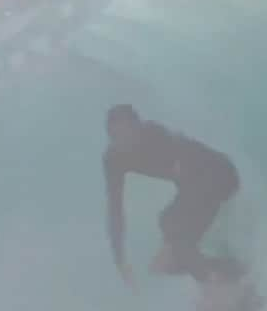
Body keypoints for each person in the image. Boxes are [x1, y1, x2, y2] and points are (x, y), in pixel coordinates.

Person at [103, 104, 246, 289]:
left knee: (172, 229)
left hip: (220, 175)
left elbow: (188, 168)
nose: (126, 141)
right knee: (167, 262)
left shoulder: (155, 135)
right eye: (118, 137)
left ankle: (216, 283)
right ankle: (230, 273)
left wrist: (174, 237)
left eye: (129, 132)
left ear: (139, 126)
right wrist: (119, 258)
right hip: (196, 185)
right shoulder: (114, 159)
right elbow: (115, 209)